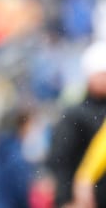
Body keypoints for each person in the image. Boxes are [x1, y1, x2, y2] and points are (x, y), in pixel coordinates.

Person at [46, 40, 106, 207]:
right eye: (102, 74)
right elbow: (61, 159)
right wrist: (67, 199)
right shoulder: (75, 114)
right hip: (86, 198)